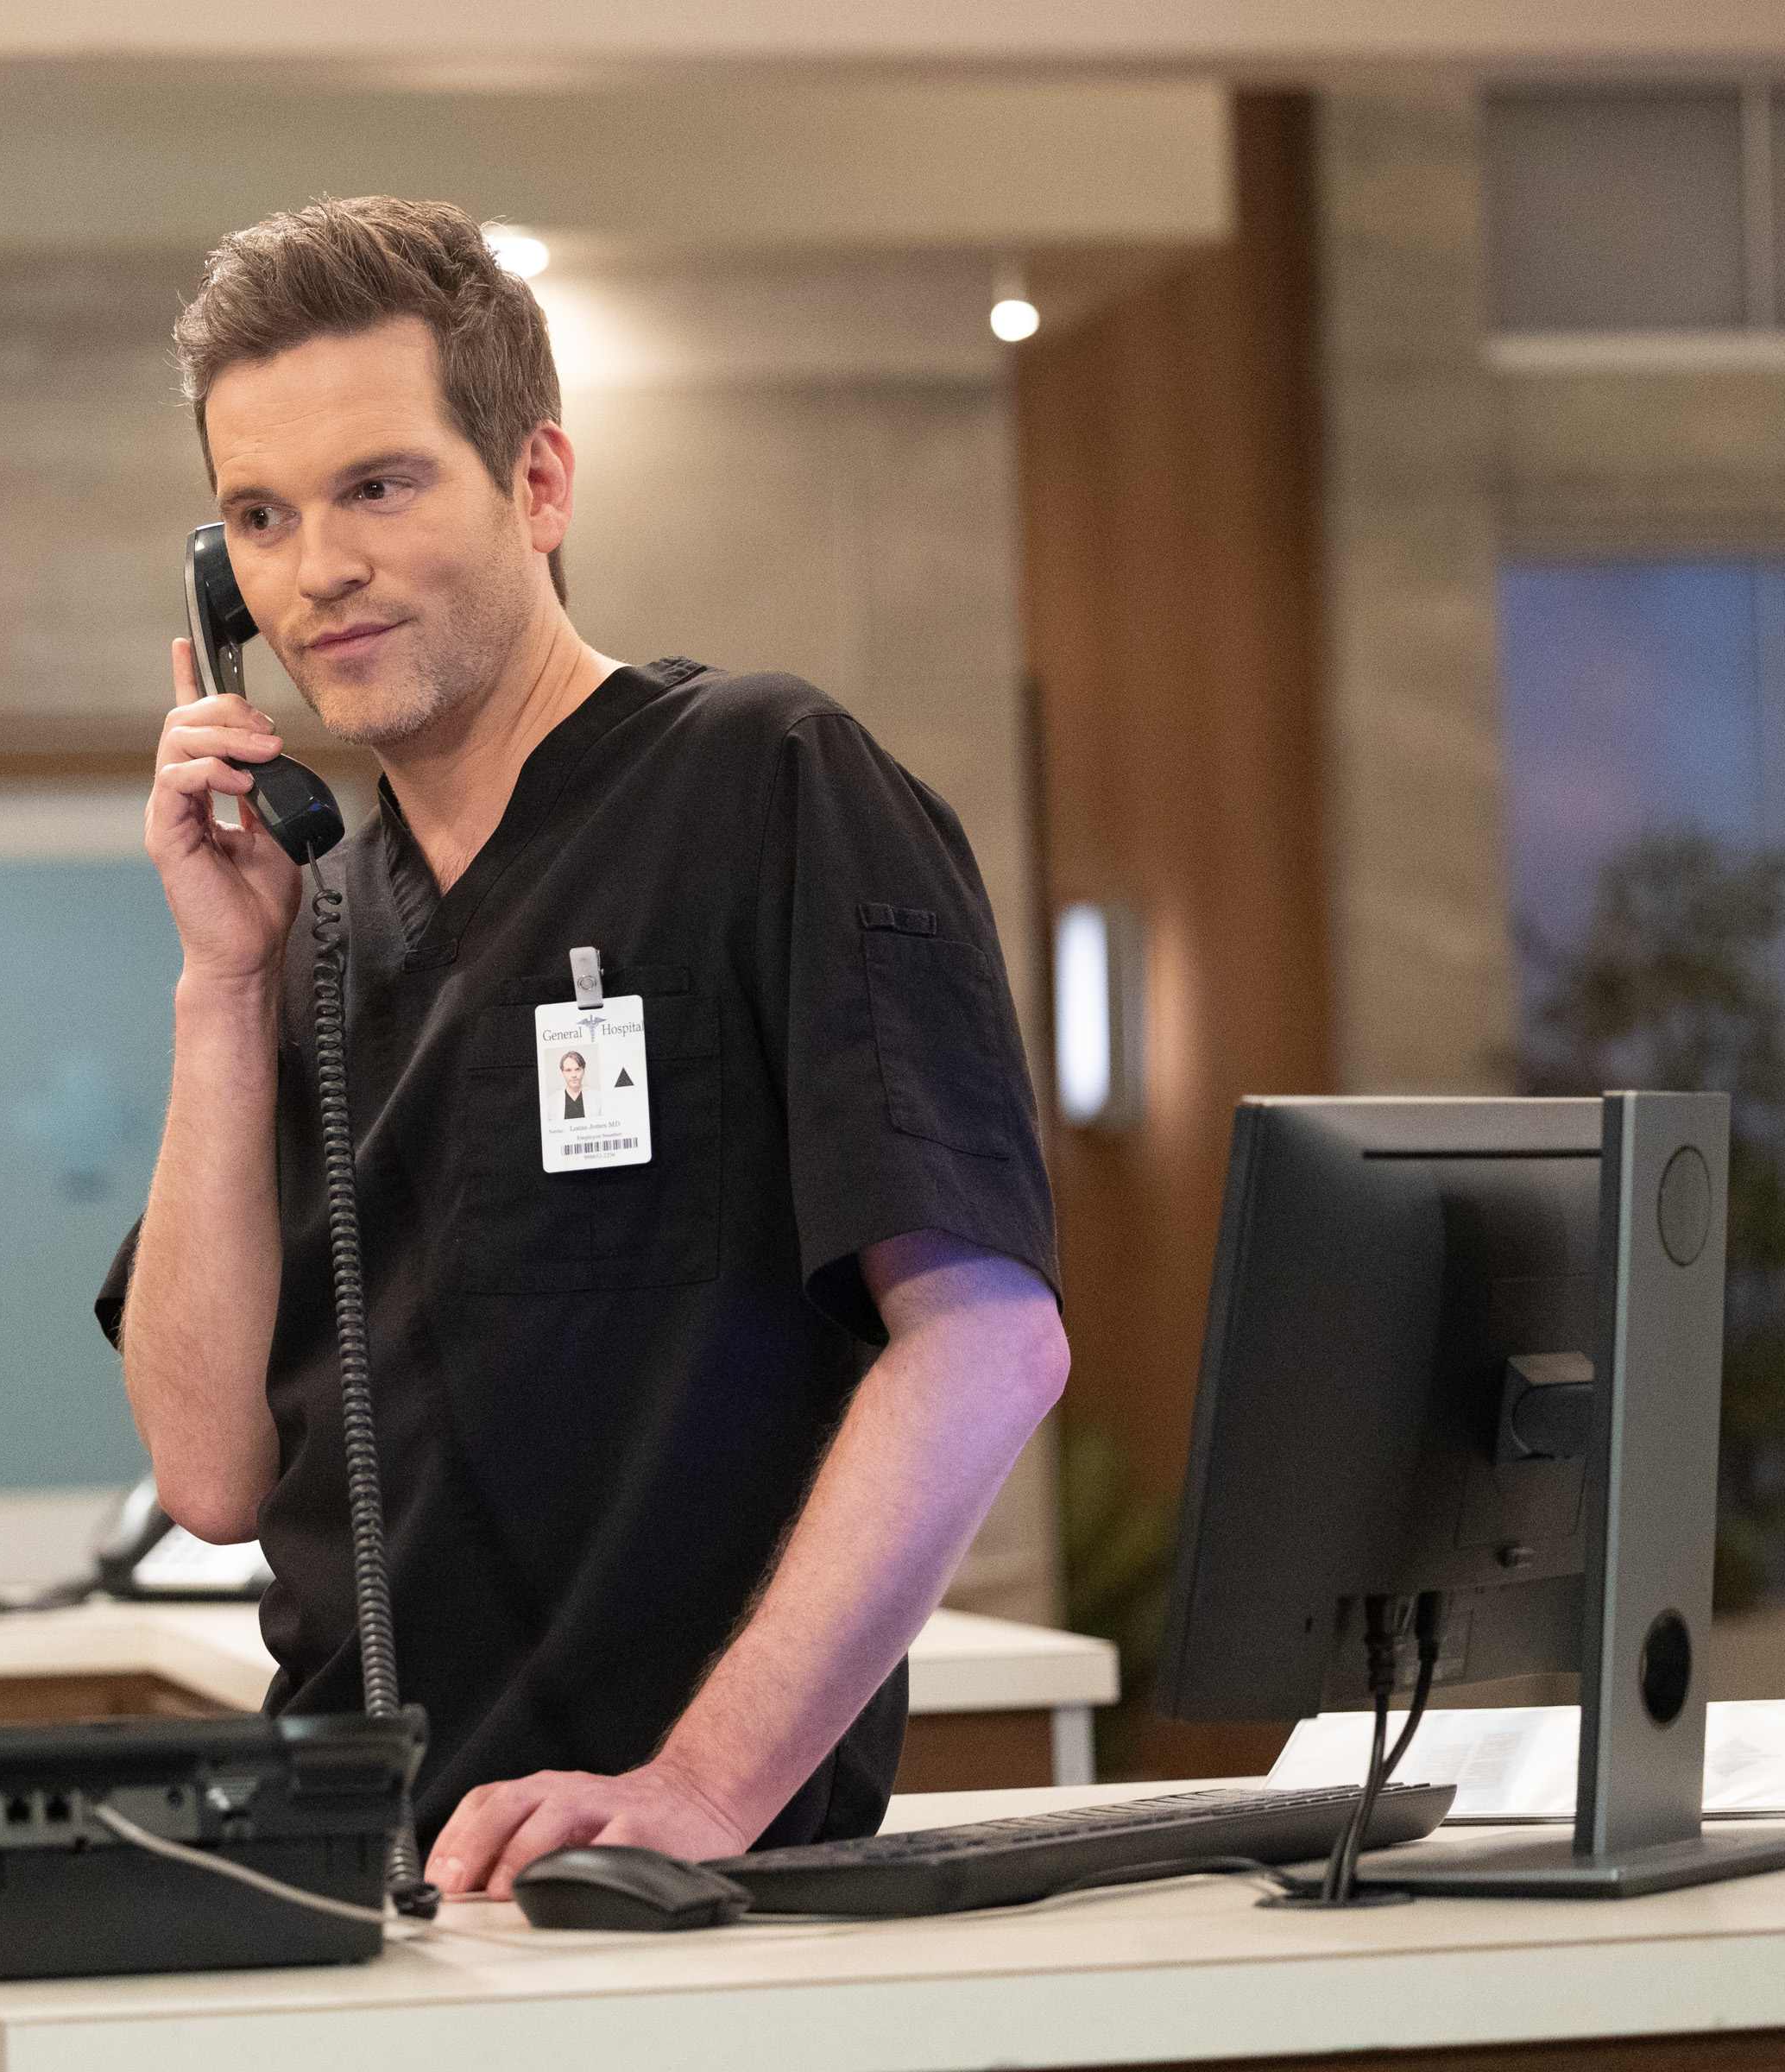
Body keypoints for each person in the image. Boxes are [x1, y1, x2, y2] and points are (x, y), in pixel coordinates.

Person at [99, 195, 1067, 1900]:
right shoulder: (304, 929)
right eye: (260, 516)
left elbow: (988, 1342)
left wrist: (699, 1788)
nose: (318, 570)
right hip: (360, 1884)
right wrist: (221, 988)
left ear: (538, 485)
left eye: (380, 486)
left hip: (682, 1893)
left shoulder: (766, 780)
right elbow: (210, 1470)